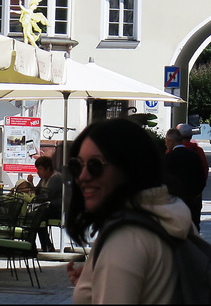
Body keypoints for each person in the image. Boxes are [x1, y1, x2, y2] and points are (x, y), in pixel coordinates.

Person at [64, 117, 195, 304]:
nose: (83, 176)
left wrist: (112, 270)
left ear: (129, 167)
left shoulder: (125, 240)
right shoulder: (172, 213)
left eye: (95, 166)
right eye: (77, 166)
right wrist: (97, 285)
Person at [162, 127, 207, 229]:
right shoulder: (195, 155)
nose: (166, 144)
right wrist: (196, 194)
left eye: (166, 142)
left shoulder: (168, 157)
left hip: (174, 202)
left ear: (170, 141)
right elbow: (202, 176)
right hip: (193, 200)